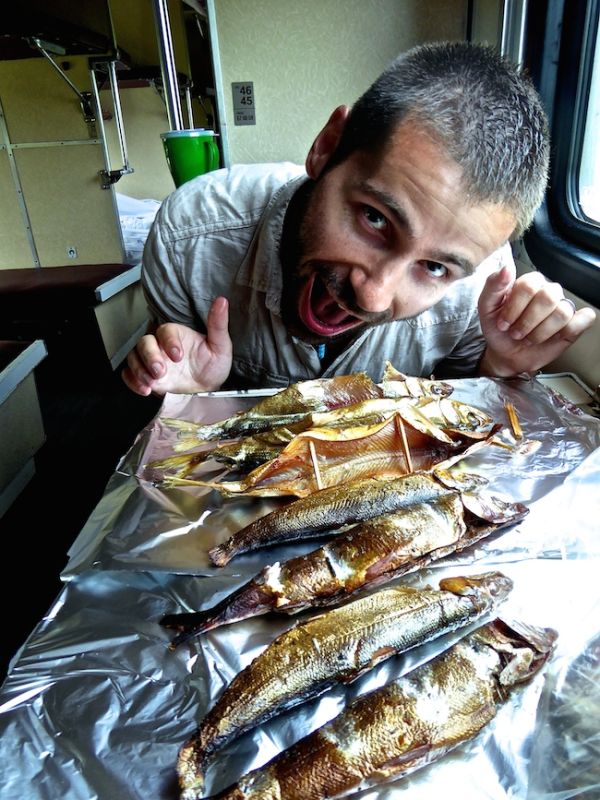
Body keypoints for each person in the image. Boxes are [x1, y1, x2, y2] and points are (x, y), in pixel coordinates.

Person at [122, 41, 596, 397]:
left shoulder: (478, 293)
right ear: (327, 147)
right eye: (374, 218)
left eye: (434, 268)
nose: (373, 294)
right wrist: (193, 402)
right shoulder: (187, 240)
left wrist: (501, 367)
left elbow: (461, 425)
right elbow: (180, 411)